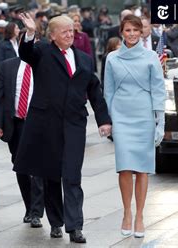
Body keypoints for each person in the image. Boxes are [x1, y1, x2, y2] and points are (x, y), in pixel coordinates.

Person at [14, 14, 112, 243]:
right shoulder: (42, 52)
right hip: (47, 126)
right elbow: (25, 54)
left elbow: (95, 91)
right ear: (53, 35)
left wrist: (104, 120)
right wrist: (29, 33)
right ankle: (56, 222)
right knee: (50, 177)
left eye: (72, 31)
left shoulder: (85, 60)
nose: (70, 34)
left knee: (72, 176)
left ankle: (75, 226)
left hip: (74, 126)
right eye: (65, 31)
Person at [103, 14, 165, 238]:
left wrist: (160, 123)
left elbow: (159, 90)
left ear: (142, 32)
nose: (131, 34)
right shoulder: (112, 58)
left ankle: (140, 215)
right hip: (121, 116)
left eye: (135, 30)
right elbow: (107, 91)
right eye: (127, 30)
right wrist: (107, 121)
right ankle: (126, 213)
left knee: (142, 168)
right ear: (121, 32)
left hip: (144, 116)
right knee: (124, 167)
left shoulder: (151, 57)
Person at [0, 56, 48, 229]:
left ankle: (37, 212)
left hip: (38, 122)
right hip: (15, 124)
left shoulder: (45, 66)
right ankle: (29, 207)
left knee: (37, 167)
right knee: (20, 166)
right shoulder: (7, 66)